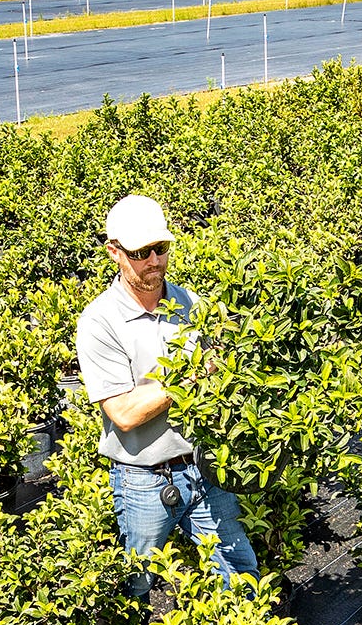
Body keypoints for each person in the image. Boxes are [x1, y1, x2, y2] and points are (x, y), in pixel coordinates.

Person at [75, 193, 260, 599]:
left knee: (240, 571)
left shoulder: (190, 303)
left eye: (161, 249)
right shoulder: (99, 321)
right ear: (115, 252)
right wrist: (191, 375)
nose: (155, 262)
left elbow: (223, 367)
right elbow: (123, 412)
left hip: (205, 468)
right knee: (137, 584)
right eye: (142, 252)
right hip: (143, 480)